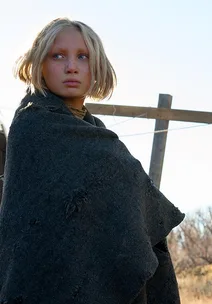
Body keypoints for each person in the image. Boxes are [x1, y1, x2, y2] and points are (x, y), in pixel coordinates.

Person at [0, 18, 184, 304]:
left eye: (82, 57)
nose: (71, 66)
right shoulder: (32, 126)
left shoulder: (97, 132)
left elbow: (135, 218)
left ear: (96, 67)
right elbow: (29, 229)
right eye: (58, 55)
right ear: (40, 64)